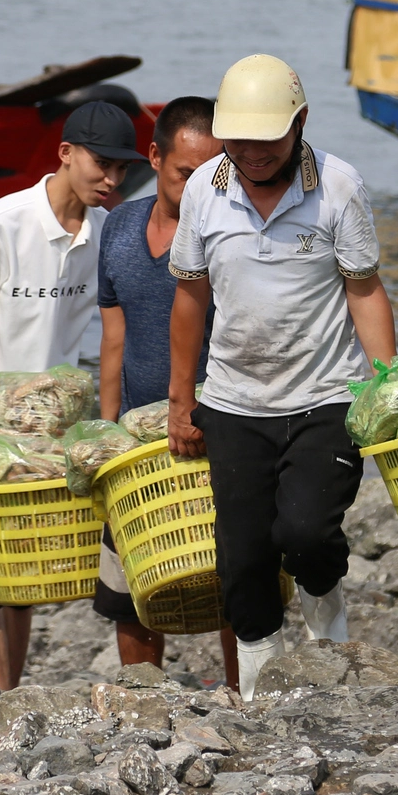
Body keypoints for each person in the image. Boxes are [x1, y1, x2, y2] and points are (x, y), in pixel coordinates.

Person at [166, 55, 397, 699]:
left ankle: (328, 623)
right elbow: (191, 297)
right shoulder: (205, 191)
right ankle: (263, 694)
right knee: (242, 560)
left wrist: (386, 386)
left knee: (307, 533)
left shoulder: (339, 187)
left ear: (300, 122)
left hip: (325, 394)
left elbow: (365, 290)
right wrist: (181, 401)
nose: (252, 152)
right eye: (237, 138)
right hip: (235, 401)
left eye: (267, 138)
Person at [0, 100, 142, 689]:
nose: (112, 179)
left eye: (122, 169)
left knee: (23, 575)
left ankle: (13, 692)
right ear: (65, 153)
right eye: (102, 164)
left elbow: (111, 334)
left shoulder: (105, 233)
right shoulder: (0, 223)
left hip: (45, 426)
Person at [95, 95, 239, 686]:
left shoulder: (231, 232)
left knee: (229, 573)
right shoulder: (122, 227)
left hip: (215, 427)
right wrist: (105, 438)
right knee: (129, 585)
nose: (201, 185)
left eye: (214, 172)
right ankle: (140, 702)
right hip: (137, 438)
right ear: (154, 157)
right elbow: (113, 341)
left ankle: (244, 695)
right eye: (186, 173)